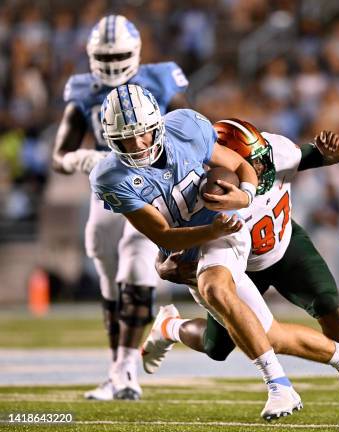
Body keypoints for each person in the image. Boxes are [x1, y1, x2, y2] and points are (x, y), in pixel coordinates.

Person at [90, 84, 339, 421]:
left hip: (269, 245)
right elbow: (164, 231)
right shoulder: (129, 175)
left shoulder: (272, 153)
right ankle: (171, 328)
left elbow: (258, 165)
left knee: (319, 306)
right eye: (126, 140)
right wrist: (179, 251)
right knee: (244, 342)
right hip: (210, 245)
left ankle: (323, 399)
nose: (137, 146)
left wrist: (248, 194)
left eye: (143, 135)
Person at [51, 14, 189, 400]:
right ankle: (119, 370)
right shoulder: (84, 90)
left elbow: (190, 127)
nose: (112, 65)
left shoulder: (161, 79)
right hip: (107, 193)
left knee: (135, 264)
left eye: (119, 56)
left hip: (151, 189)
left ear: (137, 52)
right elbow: (58, 156)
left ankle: (125, 371)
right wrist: (84, 159)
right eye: (104, 56)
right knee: (109, 278)